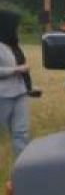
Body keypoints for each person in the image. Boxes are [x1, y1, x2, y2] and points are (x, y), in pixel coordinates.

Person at [0, 10, 33, 161]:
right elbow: (18, 68)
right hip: (3, 96)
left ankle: (23, 168)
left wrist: (31, 87)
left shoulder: (13, 45)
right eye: (15, 26)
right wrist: (16, 70)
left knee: (21, 133)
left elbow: (23, 68)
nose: (17, 29)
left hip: (20, 93)